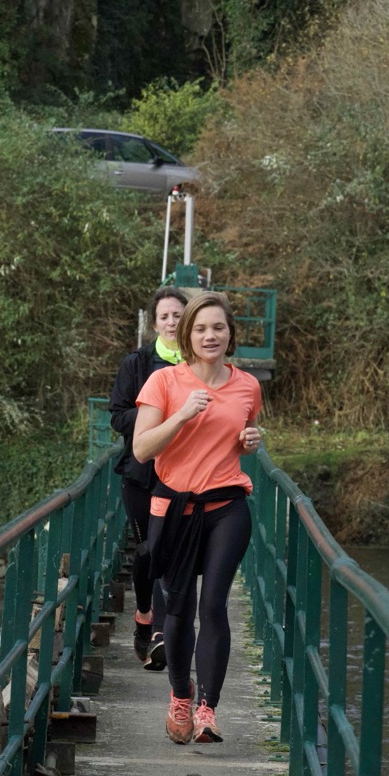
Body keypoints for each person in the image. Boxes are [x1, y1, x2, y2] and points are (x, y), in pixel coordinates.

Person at [133, 291, 263, 745]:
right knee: (180, 606)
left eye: (219, 327)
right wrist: (183, 415)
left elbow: (239, 435)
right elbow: (142, 449)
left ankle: (208, 710)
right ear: (187, 334)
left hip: (227, 506)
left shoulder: (247, 385)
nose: (211, 336)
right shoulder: (164, 382)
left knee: (213, 606)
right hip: (174, 510)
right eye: (201, 328)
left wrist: (249, 442)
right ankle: (180, 697)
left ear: (230, 334)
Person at [109, 286, 188, 671]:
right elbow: (117, 416)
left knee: (168, 551)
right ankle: (144, 615)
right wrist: (158, 415)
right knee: (147, 553)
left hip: (186, 474)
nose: (172, 322)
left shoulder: (201, 364)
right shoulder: (136, 364)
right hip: (141, 474)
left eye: (178, 316)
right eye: (165, 317)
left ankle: (159, 634)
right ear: (154, 324)